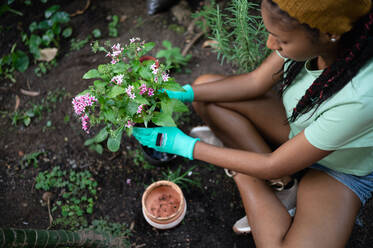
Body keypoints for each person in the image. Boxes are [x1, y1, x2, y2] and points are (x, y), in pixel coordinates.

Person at [133, 0, 373, 246]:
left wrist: (183, 145)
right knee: (205, 90)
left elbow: (273, 165)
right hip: (299, 126)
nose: (271, 44)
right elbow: (255, 82)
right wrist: (184, 92)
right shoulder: (307, 27)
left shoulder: (363, 95)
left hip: (341, 168)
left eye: (282, 40)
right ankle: (284, 188)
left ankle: (244, 171)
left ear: (329, 34)